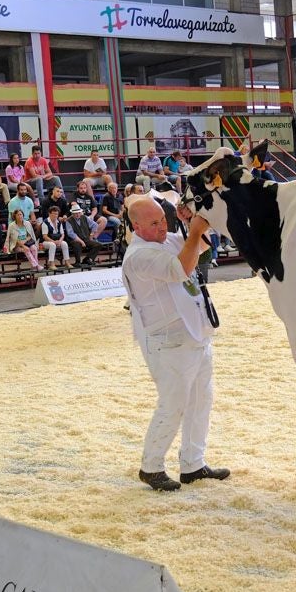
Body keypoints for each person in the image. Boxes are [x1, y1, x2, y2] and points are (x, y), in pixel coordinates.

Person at [122, 194, 229, 493]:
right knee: (173, 405)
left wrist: (189, 224)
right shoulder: (139, 255)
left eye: (163, 219)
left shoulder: (164, 239)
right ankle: (151, 466)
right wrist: (192, 231)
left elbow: (204, 247)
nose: (162, 226)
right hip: (168, 341)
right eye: (154, 223)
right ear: (136, 226)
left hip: (194, 332)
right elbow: (181, 269)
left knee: (201, 399)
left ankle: (193, 463)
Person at [65, 203, 103, 269]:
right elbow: (71, 234)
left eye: (79, 213)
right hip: (74, 239)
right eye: (76, 213)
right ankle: (78, 262)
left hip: (85, 238)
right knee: (77, 244)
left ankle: (88, 259)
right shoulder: (68, 221)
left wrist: (91, 235)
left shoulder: (84, 217)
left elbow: (95, 225)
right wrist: (81, 241)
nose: (78, 214)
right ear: (72, 214)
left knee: (98, 245)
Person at [37, 205, 72, 270]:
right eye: (54, 214)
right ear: (49, 213)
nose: (56, 215)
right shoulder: (45, 222)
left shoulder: (59, 222)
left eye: (57, 214)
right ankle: (51, 264)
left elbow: (62, 234)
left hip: (57, 240)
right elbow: (45, 236)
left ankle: (67, 262)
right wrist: (54, 242)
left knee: (64, 243)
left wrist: (60, 241)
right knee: (52, 245)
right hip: (45, 242)